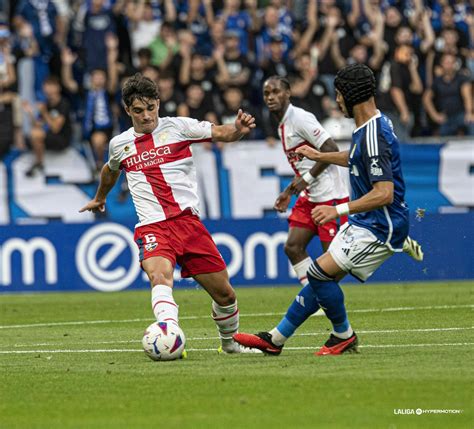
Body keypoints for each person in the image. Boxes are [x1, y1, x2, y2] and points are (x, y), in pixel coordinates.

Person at [234, 64, 421, 356]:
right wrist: (321, 156)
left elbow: (385, 193)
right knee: (321, 275)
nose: (336, 101)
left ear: (349, 94)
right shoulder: (370, 125)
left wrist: (338, 210)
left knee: (320, 275)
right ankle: (275, 340)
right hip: (365, 222)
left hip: (379, 227)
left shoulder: (373, 133)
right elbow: (356, 157)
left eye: (338, 95)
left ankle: (342, 335)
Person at [79, 73, 258, 354]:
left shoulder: (179, 127)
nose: (147, 116)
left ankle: (230, 345)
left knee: (225, 294)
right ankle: (169, 333)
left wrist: (237, 128)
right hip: (153, 226)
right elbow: (110, 170)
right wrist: (100, 197)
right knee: (160, 276)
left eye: (151, 108)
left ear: (158, 104)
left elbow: (221, 132)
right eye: (138, 111)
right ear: (128, 110)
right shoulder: (120, 144)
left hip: (188, 224)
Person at [263, 75, 349, 299]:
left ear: (288, 93)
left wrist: (307, 180)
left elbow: (330, 149)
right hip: (309, 197)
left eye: (275, 92)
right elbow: (304, 165)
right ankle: (311, 298)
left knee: (333, 265)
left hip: (330, 196)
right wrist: (288, 192)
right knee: (292, 247)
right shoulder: (282, 124)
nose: (271, 97)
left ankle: (382, 243)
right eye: (266, 93)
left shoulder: (300, 118)